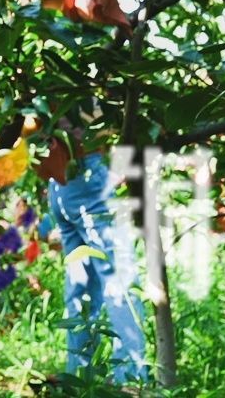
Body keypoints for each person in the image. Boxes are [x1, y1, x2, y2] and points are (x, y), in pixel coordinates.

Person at [41, 109, 149, 386]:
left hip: (60, 183)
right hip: (85, 174)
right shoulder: (84, 73)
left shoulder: (38, 77)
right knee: (120, 279)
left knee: (81, 282)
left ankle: (80, 376)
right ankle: (130, 379)